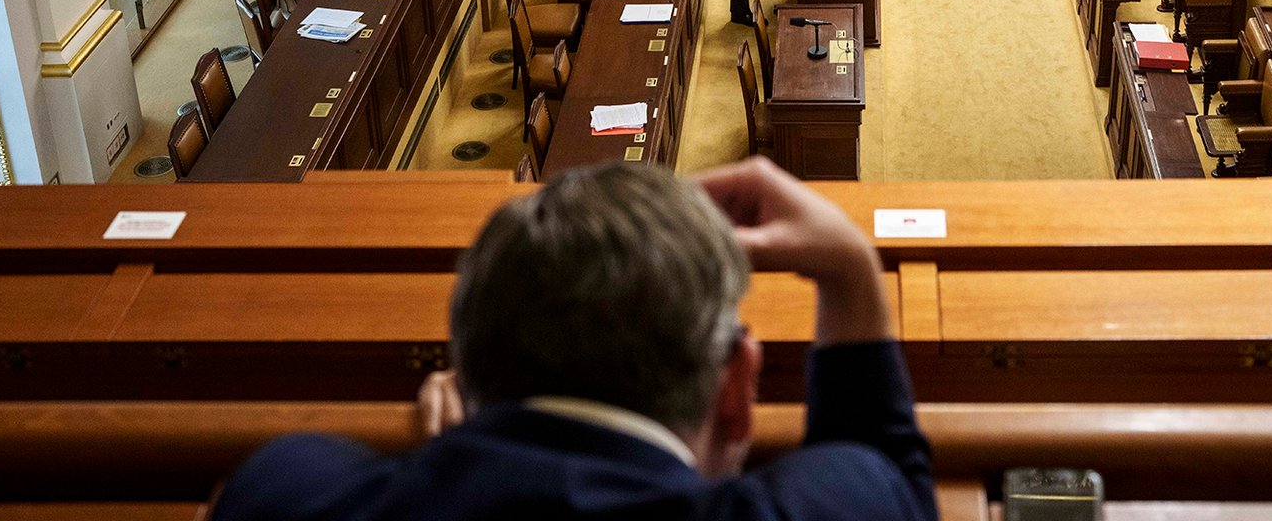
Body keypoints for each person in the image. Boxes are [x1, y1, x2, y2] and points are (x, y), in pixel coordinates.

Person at [210, 156, 937, 521]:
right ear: (738, 394)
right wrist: (852, 270)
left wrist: (475, 437)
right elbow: (886, 479)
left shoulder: (284, 492)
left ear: (468, 370)